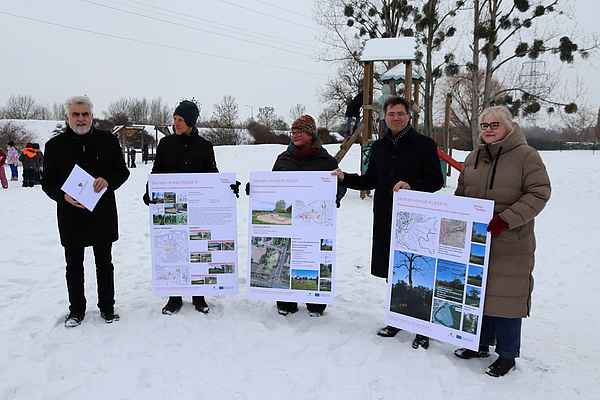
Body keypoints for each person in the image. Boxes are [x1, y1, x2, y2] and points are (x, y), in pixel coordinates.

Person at [333, 96, 444, 349]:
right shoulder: (379, 146)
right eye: (391, 114)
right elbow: (370, 180)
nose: (396, 118)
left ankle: (422, 327)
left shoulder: (424, 145)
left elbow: (436, 181)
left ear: (409, 116)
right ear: (385, 117)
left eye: (400, 113)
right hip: (385, 215)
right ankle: (397, 318)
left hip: (416, 218)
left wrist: (412, 186)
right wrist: (344, 178)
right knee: (395, 270)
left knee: (417, 270)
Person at [452, 105, 551, 377]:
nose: (488, 130)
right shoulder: (474, 156)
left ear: (509, 126)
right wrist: (455, 215)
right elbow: (461, 191)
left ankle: (507, 355)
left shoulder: (526, 156)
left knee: (507, 297)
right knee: (479, 292)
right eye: (484, 125)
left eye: (494, 125)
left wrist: (505, 220)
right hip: (478, 238)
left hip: (511, 240)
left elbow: (539, 192)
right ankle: (479, 344)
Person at [42, 96, 130, 327]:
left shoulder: (108, 140)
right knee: (73, 265)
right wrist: (63, 196)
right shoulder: (54, 146)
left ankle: (107, 308)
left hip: (102, 213)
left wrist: (108, 180)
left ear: (92, 116)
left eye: (85, 114)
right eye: (76, 114)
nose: (81, 119)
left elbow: (122, 172)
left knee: (105, 263)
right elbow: (47, 182)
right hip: (70, 215)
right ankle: (76, 310)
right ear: (67, 117)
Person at [143, 100, 217, 315]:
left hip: (196, 209)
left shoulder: (204, 146)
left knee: (196, 249)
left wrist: (226, 187)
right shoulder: (166, 144)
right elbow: (157, 172)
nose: (176, 123)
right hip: (171, 208)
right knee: (173, 249)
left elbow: (212, 175)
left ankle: (198, 295)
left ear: (191, 122)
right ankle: (174, 297)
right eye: (174, 119)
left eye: (181, 120)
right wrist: (150, 192)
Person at [271, 115, 346, 317]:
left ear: (311, 133)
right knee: (288, 256)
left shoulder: (326, 160)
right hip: (289, 220)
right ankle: (286, 300)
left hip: (314, 221)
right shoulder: (283, 159)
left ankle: (315, 300)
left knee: (313, 256)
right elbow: (273, 185)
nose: (295, 135)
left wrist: (335, 196)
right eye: (293, 131)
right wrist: (258, 189)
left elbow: (340, 186)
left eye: (300, 131)